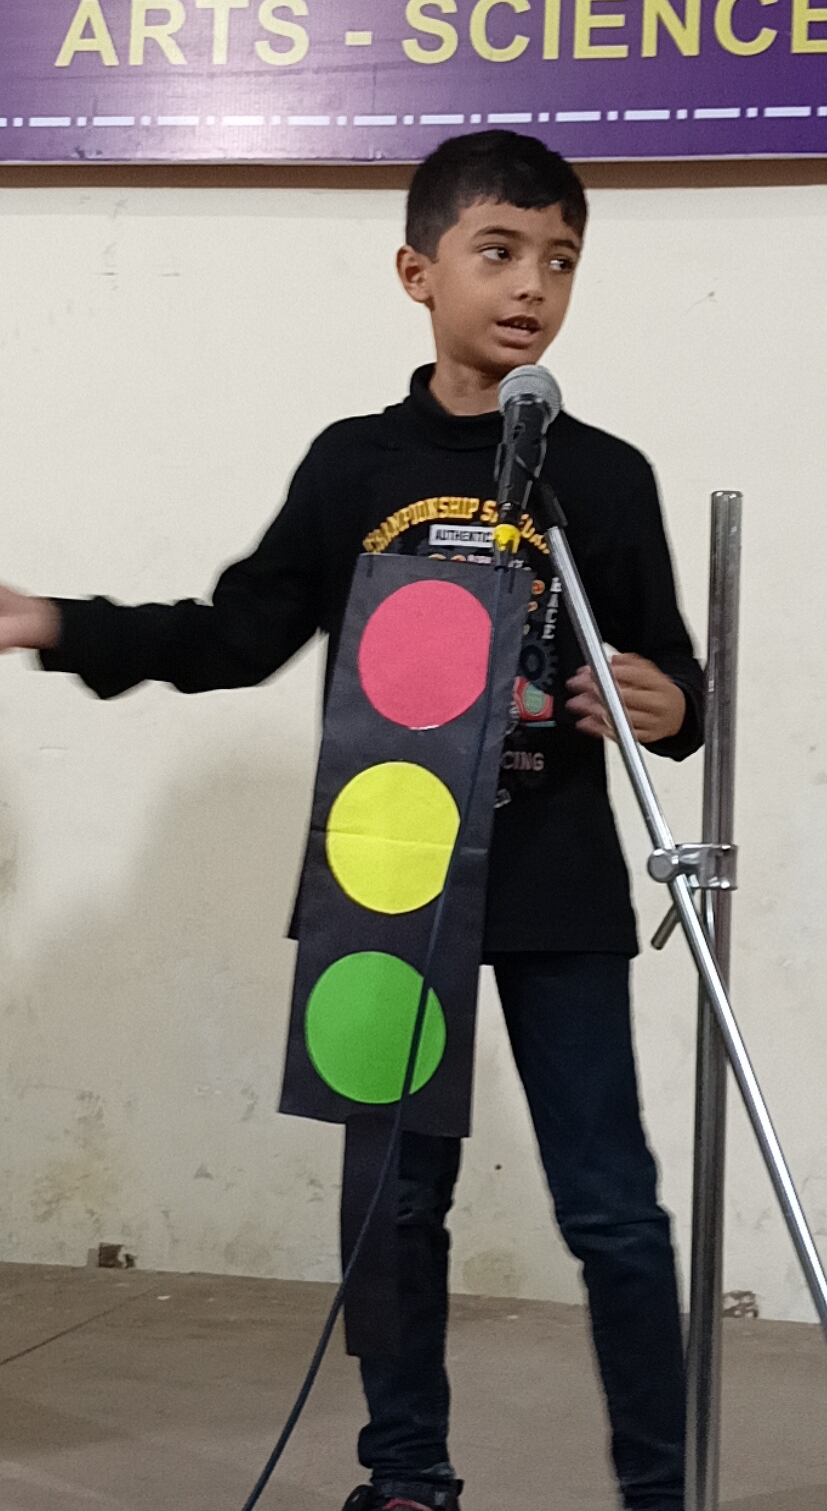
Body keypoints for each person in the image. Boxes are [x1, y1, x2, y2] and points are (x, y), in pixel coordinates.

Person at [0, 130, 703, 1511]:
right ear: (416, 272)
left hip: (558, 887)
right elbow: (235, 634)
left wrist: (673, 705)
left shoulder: (605, 478)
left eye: (561, 261)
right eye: (498, 252)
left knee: (613, 1209)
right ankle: (407, 1472)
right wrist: (59, 622)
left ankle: (659, 1487)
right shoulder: (353, 465)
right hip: (386, 885)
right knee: (394, 1206)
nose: (532, 286)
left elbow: (675, 672)